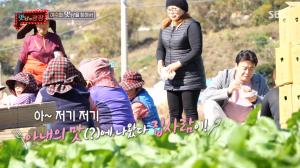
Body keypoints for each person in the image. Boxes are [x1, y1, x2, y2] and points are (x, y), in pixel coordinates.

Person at [156, 0, 206, 123]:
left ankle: (193, 140)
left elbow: (196, 50)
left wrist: (178, 64)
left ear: (183, 9)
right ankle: (176, 140)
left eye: (175, 9)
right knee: (173, 114)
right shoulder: (165, 26)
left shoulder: (192, 25)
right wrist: (160, 62)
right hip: (171, 77)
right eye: (169, 9)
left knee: (190, 113)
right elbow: (160, 48)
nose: (172, 12)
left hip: (190, 77)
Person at [199, 50, 269, 125]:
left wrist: (256, 99)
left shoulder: (260, 80)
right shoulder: (224, 76)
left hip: (248, 124)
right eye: (244, 68)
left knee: (262, 108)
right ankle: (217, 134)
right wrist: (228, 91)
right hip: (225, 122)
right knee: (210, 104)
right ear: (236, 66)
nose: (247, 72)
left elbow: (268, 102)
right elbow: (205, 96)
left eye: (251, 68)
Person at [35, 57, 94, 131]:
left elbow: (36, 115)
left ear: (49, 72)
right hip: (84, 136)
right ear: (71, 71)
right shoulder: (82, 90)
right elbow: (93, 108)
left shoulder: (43, 92)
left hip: (57, 137)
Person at [79, 58, 135, 133]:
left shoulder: (94, 92)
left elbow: (83, 111)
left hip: (113, 133)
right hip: (131, 130)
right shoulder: (120, 89)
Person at [15, 19, 66, 86]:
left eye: (45, 23)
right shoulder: (29, 39)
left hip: (52, 78)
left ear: (49, 24)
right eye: (40, 23)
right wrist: (16, 81)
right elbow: (21, 60)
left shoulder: (55, 38)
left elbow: (63, 58)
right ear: (35, 25)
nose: (43, 26)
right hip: (31, 80)